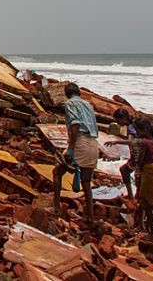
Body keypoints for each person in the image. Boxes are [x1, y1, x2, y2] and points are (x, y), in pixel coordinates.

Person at [53, 82, 99, 223]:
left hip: (80, 143)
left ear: (66, 94)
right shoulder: (88, 105)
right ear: (79, 92)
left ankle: (56, 208)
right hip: (93, 144)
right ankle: (90, 216)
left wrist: (71, 147)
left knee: (57, 172)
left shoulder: (70, 104)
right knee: (86, 182)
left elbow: (75, 124)